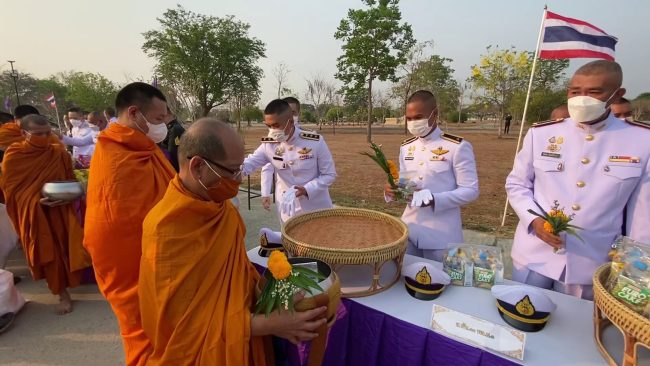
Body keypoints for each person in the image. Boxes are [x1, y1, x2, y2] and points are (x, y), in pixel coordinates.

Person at [139, 118, 327, 365]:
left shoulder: (220, 207)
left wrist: (271, 298)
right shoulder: (166, 230)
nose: (239, 179)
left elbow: (237, 276)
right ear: (197, 167)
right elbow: (184, 327)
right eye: (232, 170)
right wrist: (267, 324)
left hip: (238, 335)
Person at [506, 60, 650, 300]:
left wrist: (635, 271)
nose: (582, 98)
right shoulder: (542, 134)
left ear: (617, 94)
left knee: (576, 331)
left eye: (594, 92)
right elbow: (518, 184)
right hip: (533, 256)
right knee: (522, 320)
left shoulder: (641, 141)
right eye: (575, 92)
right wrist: (534, 221)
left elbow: (642, 215)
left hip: (592, 262)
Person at [84, 82, 175, 365]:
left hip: (156, 258)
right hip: (132, 266)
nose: (162, 126)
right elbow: (120, 220)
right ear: (135, 113)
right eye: (159, 119)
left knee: (170, 334)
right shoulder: (116, 153)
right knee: (145, 334)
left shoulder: (141, 147)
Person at [0, 114, 90, 314]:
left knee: (69, 247)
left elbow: (67, 179)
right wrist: (36, 201)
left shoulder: (58, 152)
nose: (45, 137)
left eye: (48, 133)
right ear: (23, 133)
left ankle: (74, 281)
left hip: (61, 208)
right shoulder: (14, 156)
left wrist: (70, 195)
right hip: (36, 212)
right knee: (50, 254)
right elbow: (12, 193)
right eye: (38, 134)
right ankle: (62, 294)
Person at [386, 90, 479, 262]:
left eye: (419, 117)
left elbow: (470, 190)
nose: (413, 122)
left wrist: (435, 199)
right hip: (410, 231)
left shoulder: (456, 146)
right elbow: (405, 184)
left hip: (441, 236)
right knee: (404, 281)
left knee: (439, 284)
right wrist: (393, 190)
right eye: (409, 118)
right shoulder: (406, 147)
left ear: (434, 114)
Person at [242, 99, 336, 224]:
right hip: (288, 208)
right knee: (290, 242)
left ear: (290, 122)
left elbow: (329, 175)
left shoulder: (315, 141)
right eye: (268, 126)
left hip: (316, 207)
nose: (272, 131)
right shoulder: (268, 145)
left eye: (276, 125)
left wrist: (306, 189)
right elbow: (249, 164)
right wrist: (227, 168)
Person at [261, 97, 302, 211]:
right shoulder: (272, 141)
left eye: (293, 113)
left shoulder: (312, 140)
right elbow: (267, 168)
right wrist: (265, 193)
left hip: (307, 199)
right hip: (285, 197)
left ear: (298, 114)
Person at [158, 107, 185, 172]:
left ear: (165, 113)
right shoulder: (169, 129)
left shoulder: (175, 129)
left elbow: (173, 156)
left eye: (158, 117)